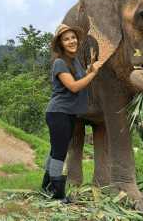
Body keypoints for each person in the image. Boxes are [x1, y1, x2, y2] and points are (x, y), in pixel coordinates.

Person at [42, 23, 102, 203]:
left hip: (67, 114)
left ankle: (46, 187)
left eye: (73, 38)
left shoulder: (74, 61)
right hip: (58, 113)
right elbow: (74, 87)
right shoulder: (60, 62)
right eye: (66, 39)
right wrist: (94, 74)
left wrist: (90, 68)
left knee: (55, 151)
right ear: (60, 43)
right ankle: (57, 194)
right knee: (60, 153)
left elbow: (82, 77)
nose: (71, 41)